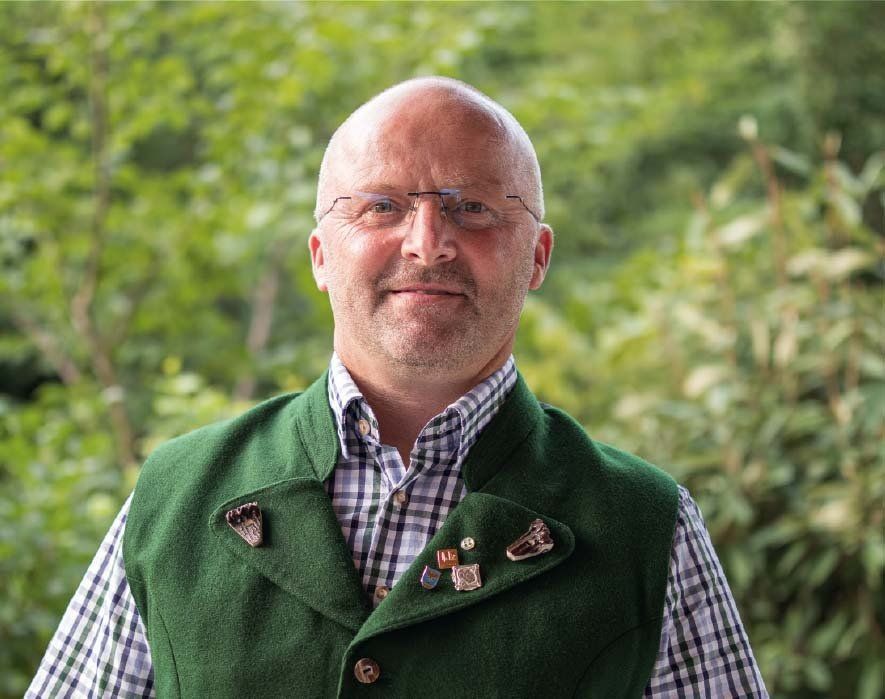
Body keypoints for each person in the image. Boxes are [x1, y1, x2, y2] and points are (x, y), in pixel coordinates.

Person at [28, 77, 767, 697]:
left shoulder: (649, 527)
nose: (427, 242)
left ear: (538, 256)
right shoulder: (174, 497)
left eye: (471, 208)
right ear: (321, 255)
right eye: (382, 206)